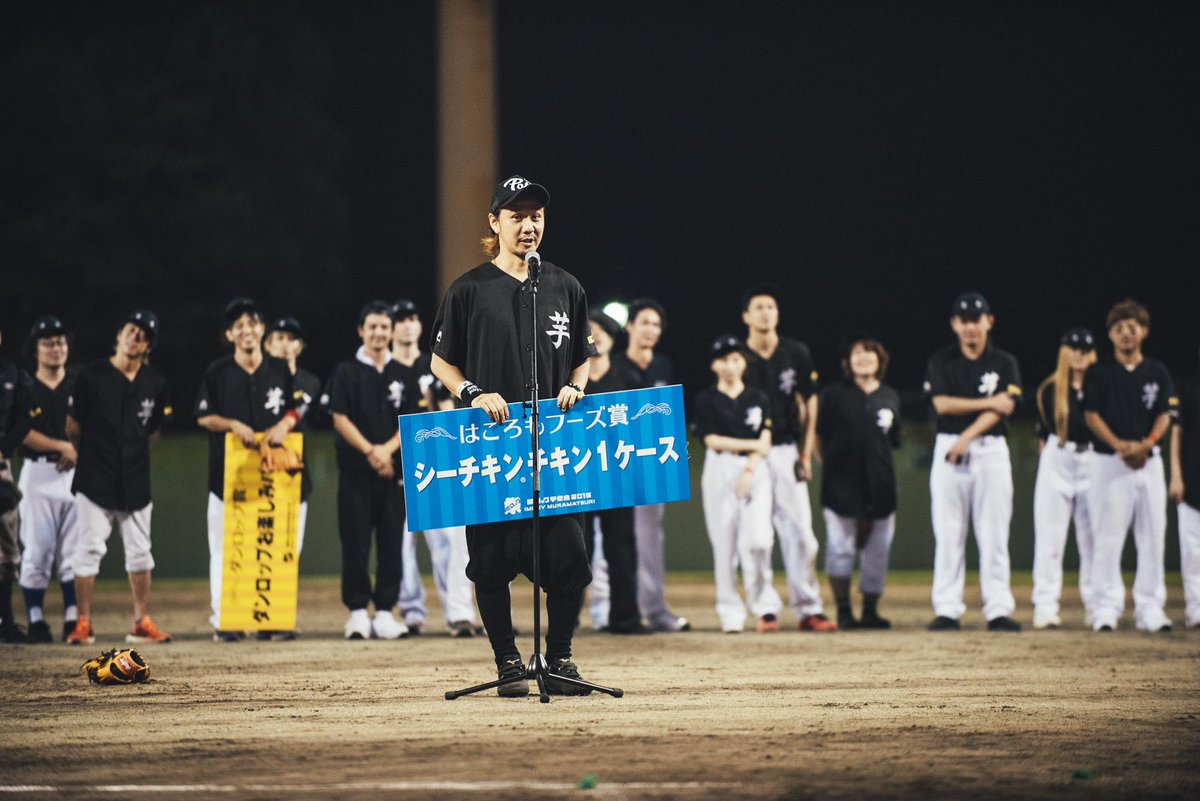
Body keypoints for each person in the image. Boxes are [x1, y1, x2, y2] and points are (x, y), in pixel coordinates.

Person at [430, 175, 595, 696]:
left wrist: (574, 385)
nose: (529, 226)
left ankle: (561, 658)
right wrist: (473, 393)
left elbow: (584, 360)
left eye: (536, 217)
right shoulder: (468, 289)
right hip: (492, 452)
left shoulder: (566, 286)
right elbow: (440, 362)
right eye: (517, 216)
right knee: (490, 565)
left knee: (570, 560)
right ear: (494, 222)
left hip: (552, 452)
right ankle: (508, 663)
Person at [196, 299, 303, 642]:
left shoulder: (278, 369)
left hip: (271, 478)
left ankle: (271, 619)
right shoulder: (217, 371)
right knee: (226, 549)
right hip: (228, 477)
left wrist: (286, 423)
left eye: (252, 322)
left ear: (262, 329)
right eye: (238, 325)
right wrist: (231, 424)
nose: (246, 329)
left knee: (270, 547)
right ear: (229, 334)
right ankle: (225, 620)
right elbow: (202, 415)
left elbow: (294, 409)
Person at [65, 310, 172, 645]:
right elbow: (73, 425)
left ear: (148, 346)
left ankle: (141, 621)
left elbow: (153, 429)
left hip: (135, 477)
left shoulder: (156, 382)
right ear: (120, 333)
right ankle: (83, 622)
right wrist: (88, 456)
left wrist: (133, 454)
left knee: (141, 551)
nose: (134, 337)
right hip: (96, 475)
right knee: (88, 548)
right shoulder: (91, 375)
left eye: (142, 335)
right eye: (131, 329)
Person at [924, 292, 1022, 632]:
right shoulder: (941, 361)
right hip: (949, 448)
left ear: (988, 321)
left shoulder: (1005, 361)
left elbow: (1006, 407)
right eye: (963, 320)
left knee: (994, 532)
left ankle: (998, 608)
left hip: (989, 448)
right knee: (949, 531)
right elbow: (942, 405)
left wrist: (968, 435)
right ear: (955, 324)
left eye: (976, 319)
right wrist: (989, 402)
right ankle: (948, 608)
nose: (970, 327)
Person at [741, 284, 835, 632]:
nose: (766, 312)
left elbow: (810, 400)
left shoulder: (795, 352)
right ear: (746, 316)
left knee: (803, 536)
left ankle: (809, 607)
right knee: (757, 539)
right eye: (759, 306)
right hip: (751, 454)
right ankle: (765, 608)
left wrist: (806, 452)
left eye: (771, 306)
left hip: (786, 450)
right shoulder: (738, 356)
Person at [325, 300, 417, 640]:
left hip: (393, 474)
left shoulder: (403, 374)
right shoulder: (345, 372)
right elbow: (339, 417)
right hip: (355, 473)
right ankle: (357, 611)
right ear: (361, 331)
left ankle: (385, 612)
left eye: (384, 327)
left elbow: (410, 422)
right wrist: (370, 452)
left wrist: (387, 451)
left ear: (391, 332)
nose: (379, 333)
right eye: (372, 327)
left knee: (393, 543)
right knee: (356, 542)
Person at [1083, 299, 1177, 632]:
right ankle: (1105, 607)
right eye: (1119, 328)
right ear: (1110, 334)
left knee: (1153, 535)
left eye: (1132, 327)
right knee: (1107, 536)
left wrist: (1148, 442)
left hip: (1148, 461)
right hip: (1109, 461)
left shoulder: (1157, 371)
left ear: (1144, 331)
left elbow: (1165, 413)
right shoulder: (1099, 371)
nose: (1126, 334)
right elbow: (1091, 415)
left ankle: (1150, 608)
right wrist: (1119, 445)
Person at [391, 298, 479, 637]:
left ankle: (459, 614)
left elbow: (448, 412)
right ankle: (411, 613)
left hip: (435, 470)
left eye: (413, 318)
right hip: (396, 470)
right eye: (401, 319)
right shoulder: (384, 369)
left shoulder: (435, 366)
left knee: (453, 544)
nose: (408, 324)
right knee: (399, 548)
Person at [694, 335, 782, 633]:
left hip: (754, 468)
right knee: (724, 545)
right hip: (720, 466)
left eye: (735, 359)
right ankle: (730, 612)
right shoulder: (706, 399)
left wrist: (749, 468)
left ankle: (764, 605)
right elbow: (711, 439)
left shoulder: (758, 397)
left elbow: (767, 442)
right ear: (714, 365)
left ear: (743, 362)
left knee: (759, 540)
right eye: (724, 359)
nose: (730, 365)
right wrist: (752, 444)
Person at [611, 298, 689, 632]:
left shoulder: (662, 367)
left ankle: (655, 609)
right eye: (644, 322)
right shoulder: (613, 366)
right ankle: (606, 608)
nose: (650, 330)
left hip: (651, 465)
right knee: (610, 541)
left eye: (656, 325)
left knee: (650, 538)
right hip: (616, 463)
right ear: (629, 326)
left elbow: (668, 412)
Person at [814, 335, 901, 630]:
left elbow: (894, 441)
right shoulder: (834, 394)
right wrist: (827, 463)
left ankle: (870, 610)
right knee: (840, 547)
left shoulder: (889, 395)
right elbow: (818, 434)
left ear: (880, 360)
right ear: (848, 362)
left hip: (880, 483)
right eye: (857, 354)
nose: (863, 358)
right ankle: (843, 610)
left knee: (878, 550)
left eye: (869, 353)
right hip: (841, 483)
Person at [580, 311, 645, 634]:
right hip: (578, 476)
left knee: (622, 546)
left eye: (603, 330)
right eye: (590, 330)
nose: (597, 335)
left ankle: (625, 617)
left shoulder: (628, 376)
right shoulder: (569, 377)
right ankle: (568, 617)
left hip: (619, 476)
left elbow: (646, 425)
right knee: (577, 548)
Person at [17, 316, 81, 642]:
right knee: (37, 551)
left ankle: (73, 618)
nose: (55, 348)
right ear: (36, 349)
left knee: (73, 552)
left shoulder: (78, 385)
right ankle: (36, 619)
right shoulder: (24, 387)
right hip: (38, 473)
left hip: (75, 474)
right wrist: (63, 445)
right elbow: (20, 432)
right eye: (48, 343)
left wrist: (78, 450)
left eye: (60, 342)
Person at [1030, 327, 1098, 629]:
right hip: (1059, 456)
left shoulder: (1102, 385)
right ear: (1064, 352)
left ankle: (1097, 607)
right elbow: (1042, 432)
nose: (1079, 354)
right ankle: (1045, 606)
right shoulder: (1049, 389)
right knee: (1049, 538)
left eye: (1085, 349)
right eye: (1074, 348)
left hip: (1095, 459)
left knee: (1094, 539)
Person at [0, 324, 36, 643]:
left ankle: (6, 620)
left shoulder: (12, 374)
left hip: (0, 466)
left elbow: (26, 418)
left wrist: (4, 448)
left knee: (8, 547)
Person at [1169, 343, 1200, 629]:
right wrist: (1176, 475)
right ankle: (1196, 610)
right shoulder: (1189, 386)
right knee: (1193, 551)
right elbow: (1176, 432)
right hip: (1193, 477)